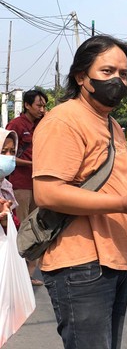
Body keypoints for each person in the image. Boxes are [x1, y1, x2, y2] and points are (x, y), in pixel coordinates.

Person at [31, 35, 127, 349]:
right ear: (81, 76)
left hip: (113, 261)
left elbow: (106, 185)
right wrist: (122, 202)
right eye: (107, 71)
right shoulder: (64, 120)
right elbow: (47, 194)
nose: (118, 79)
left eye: (124, 73)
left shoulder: (112, 125)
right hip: (80, 266)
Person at [6, 89, 47, 286]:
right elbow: (7, 154)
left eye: (44, 105)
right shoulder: (16, 125)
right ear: (27, 105)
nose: (42, 109)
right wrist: (31, 164)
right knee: (20, 227)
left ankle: (28, 273)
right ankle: (15, 274)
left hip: (38, 183)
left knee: (37, 226)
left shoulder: (43, 124)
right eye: (39, 105)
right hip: (21, 184)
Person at [0, 128, 21, 233]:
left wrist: (5, 221)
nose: (9, 156)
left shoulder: (6, 186)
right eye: (3, 152)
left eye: (12, 152)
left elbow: (14, 226)